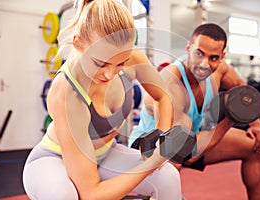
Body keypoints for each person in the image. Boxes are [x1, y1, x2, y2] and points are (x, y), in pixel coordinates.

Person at [22, 0, 183, 199]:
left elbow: (162, 96)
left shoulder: (133, 57)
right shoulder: (67, 93)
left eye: (120, 64)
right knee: (64, 195)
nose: (109, 74)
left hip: (107, 154)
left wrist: (160, 138)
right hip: (54, 160)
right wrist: (151, 163)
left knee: (168, 177)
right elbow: (91, 194)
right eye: (100, 63)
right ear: (78, 43)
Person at [128, 23, 260, 200]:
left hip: (191, 138)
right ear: (188, 48)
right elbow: (188, 153)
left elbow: (243, 89)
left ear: (222, 56)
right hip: (151, 148)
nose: (204, 64)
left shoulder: (220, 71)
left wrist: (257, 126)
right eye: (199, 53)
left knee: (258, 146)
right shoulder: (172, 83)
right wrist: (230, 119)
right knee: (177, 145)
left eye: (213, 58)